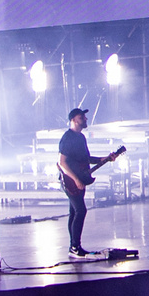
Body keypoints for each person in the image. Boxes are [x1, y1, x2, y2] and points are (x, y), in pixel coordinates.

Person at [57, 108, 96, 258]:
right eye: (82, 117)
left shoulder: (81, 138)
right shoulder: (67, 138)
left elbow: (86, 159)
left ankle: (74, 246)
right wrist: (76, 179)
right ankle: (74, 247)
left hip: (79, 178)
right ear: (73, 120)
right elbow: (62, 162)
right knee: (80, 210)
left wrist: (104, 159)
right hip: (70, 181)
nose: (85, 119)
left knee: (74, 212)